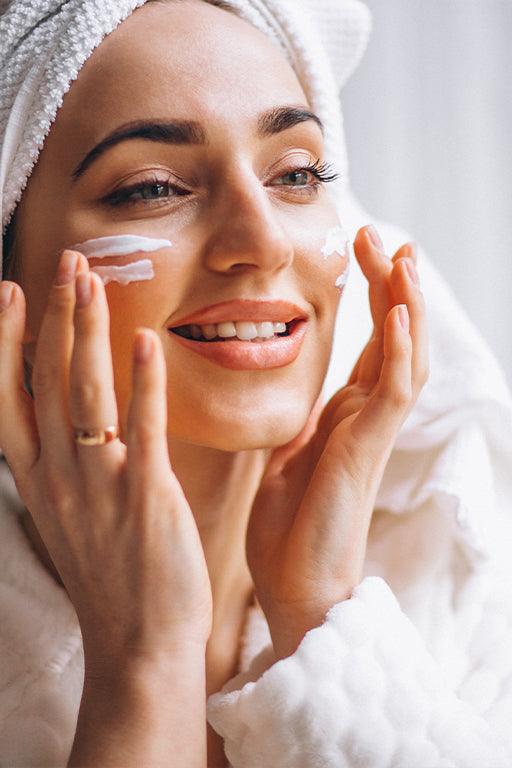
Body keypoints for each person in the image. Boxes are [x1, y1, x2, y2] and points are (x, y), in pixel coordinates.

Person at [1, 0, 511, 766]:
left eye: (297, 174)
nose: (264, 239)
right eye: (151, 187)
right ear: (15, 288)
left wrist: (321, 619)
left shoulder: (452, 578)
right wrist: (147, 660)